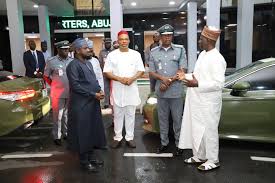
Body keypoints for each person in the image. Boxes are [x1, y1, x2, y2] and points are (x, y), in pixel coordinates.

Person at [177, 26, 226, 171]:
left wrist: (198, 83)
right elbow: (197, 75)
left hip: (209, 103)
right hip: (197, 100)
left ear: (208, 40)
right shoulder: (203, 55)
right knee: (198, 129)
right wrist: (184, 76)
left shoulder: (217, 59)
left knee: (209, 131)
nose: (199, 41)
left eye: (201, 39)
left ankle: (213, 159)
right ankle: (199, 155)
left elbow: (218, 84)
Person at [66, 38, 106, 172]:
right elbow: (75, 86)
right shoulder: (73, 65)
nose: (89, 49)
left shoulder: (88, 63)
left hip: (92, 104)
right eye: (85, 48)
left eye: (88, 48)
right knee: (83, 133)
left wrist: (99, 89)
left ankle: (91, 157)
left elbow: (93, 80)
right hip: (81, 105)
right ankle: (84, 162)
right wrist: (93, 94)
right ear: (77, 51)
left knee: (92, 131)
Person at [148, 24, 187, 154]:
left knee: (177, 120)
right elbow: (152, 72)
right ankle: (164, 143)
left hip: (175, 92)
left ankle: (178, 144)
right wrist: (162, 79)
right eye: (165, 36)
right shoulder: (153, 52)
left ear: (172, 36)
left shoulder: (180, 50)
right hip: (161, 92)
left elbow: (182, 70)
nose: (167, 38)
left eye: (169, 35)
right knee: (163, 119)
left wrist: (167, 81)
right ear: (160, 37)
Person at [104, 30, 145, 149]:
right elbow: (107, 72)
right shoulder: (112, 55)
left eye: (126, 39)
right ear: (118, 41)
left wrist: (132, 78)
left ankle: (129, 138)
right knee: (117, 115)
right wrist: (120, 79)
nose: (124, 41)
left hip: (131, 89)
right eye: (121, 39)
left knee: (131, 115)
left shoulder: (135, 54)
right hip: (117, 89)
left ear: (129, 41)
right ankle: (117, 137)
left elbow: (141, 70)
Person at [44, 40, 73, 146]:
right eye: (64, 49)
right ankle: (57, 136)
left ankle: (66, 133)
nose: (66, 51)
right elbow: (46, 76)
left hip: (70, 92)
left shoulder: (71, 61)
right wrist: (54, 85)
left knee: (67, 114)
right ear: (58, 49)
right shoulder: (51, 61)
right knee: (58, 116)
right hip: (58, 93)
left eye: (67, 49)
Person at [99, 38, 113, 109]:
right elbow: (100, 63)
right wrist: (102, 72)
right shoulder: (101, 52)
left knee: (113, 88)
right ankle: (106, 102)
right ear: (104, 44)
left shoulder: (114, 52)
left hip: (113, 74)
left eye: (109, 43)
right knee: (106, 88)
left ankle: (113, 101)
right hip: (105, 73)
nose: (108, 44)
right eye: (106, 43)